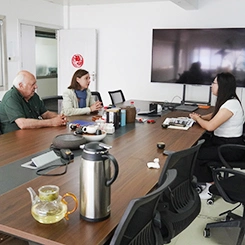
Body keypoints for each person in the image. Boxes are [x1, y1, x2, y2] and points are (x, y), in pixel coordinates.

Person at [189, 72, 244, 199]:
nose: (211, 86)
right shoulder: (228, 101)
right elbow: (215, 115)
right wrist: (200, 117)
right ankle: (207, 177)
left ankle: (210, 185)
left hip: (230, 148)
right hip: (223, 142)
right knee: (197, 144)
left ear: (222, 86)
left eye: (214, 83)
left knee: (195, 154)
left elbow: (210, 126)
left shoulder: (231, 105)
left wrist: (198, 120)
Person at [0, 70, 67, 134]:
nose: (36, 86)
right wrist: (52, 122)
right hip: (12, 138)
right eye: (32, 84)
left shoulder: (33, 95)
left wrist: (59, 118)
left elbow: (45, 114)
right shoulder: (11, 97)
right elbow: (23, 124)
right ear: (21, 85)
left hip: (32, 133)